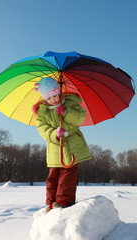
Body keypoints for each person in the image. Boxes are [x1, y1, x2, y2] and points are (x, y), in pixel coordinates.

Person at [33, 77, 91, 212]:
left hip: (72, 145)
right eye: (48, 98)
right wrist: (55, 133)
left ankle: (64, 200)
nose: (53, 100)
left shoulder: (70, 103)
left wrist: (66, 112)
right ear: (44, 99)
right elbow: (42, 128)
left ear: (58, 92)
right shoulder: (43, 112)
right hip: (55, 147)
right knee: (53, 176)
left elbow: (80, 117)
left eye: (54, 96)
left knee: (68, 175)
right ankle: (51, 202)